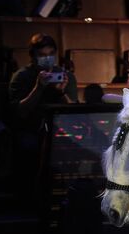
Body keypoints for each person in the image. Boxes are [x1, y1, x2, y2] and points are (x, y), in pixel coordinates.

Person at [8, 33, 77, 189]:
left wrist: (61, 92)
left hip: (60, 129)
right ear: (33, 56)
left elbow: (73, 110)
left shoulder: (65, 76)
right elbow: (19, 112)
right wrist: (39, 88)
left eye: (51, 54)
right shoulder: (21, 76)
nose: (47, 59)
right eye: (42, 55)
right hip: (31, 128)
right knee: (29, 146)